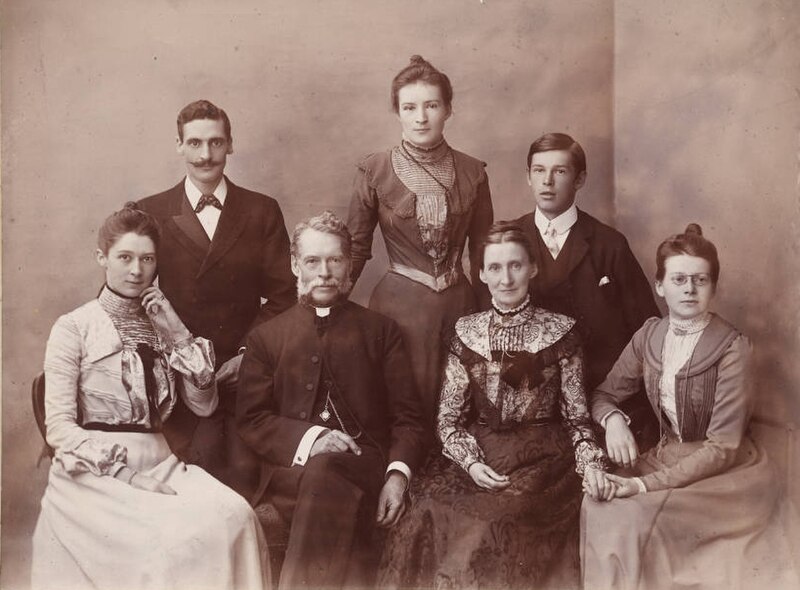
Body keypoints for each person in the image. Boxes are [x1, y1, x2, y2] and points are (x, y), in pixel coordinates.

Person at [31, 203, 270, 590]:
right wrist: (126, 475)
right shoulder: (74, 327)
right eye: (124, 257)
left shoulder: (163, 326)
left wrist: (177, 333)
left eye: (147, 259)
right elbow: (58, 426)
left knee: (237, 517)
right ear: (102, 258)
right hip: (96, 473)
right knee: (166, 546)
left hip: (163, 463)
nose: (136, 270)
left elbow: (204, 405)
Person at [379, 222, 612, 590]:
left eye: (515, 265)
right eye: (495, 268)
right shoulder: (465, 331)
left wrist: (591, 464)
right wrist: (470, 463)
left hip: (545, 458)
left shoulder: (561, 332)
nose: (506, 278)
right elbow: (449, 420)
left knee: (498, 519)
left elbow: (577, 417)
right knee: (424, 508)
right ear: (482, 274)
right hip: (481, 451)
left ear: (532, 268)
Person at [581, 224, 798, 590]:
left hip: (725, 474)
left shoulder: (733, 348)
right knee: (596, 505)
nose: (690, 289)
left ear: (714, 287)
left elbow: (723, 447)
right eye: (679, 279)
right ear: (660, 286)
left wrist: (641, 486)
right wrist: (614, 419)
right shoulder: (650, 335)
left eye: (701, 280)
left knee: (630, 517)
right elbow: (603, 395)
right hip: (666, 457)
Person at [236, 211, 426, 590]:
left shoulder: (381, 331)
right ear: (294, 265)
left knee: (327, 477)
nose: (324, 272)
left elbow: (409, 419)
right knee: (323, 474)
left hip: (365, 466)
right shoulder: (266, 338)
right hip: (291, 475)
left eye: (334, 260)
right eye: (312, 261)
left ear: (349, 267)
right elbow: (252, 420)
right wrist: (313, 440)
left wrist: (396, 477)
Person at [139, 100, 295, 494]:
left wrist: (247, 356)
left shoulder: (261, 211)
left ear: (230, 145)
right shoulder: (149, 213)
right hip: (178, 382)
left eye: (215, 143)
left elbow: (282, 297)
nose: (205, 155)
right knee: (198, 466)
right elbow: (133, 301)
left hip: (247, 372)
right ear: (179, 146)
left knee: (243, 470)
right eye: (194, 144)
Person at [347, 55, 494, 426]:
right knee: (400, 412)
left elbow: (482, 252)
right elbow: (356, 248)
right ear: (396, 111)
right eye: (409, 107)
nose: (421, 117)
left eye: (431, 105)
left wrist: (490, 317)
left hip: (460, 307)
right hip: (397, 309)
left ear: (448, 109)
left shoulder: (473, 171)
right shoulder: (374, 169)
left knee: (461, 412)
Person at [514, 133, 660, 442]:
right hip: (530, 400)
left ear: (579, 179)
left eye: (560, 171)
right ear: (528, 177)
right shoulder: (509, 241)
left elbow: (647, 329)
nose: (548, 181)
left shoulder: (609, 244)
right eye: (539, 170)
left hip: (601, 394)